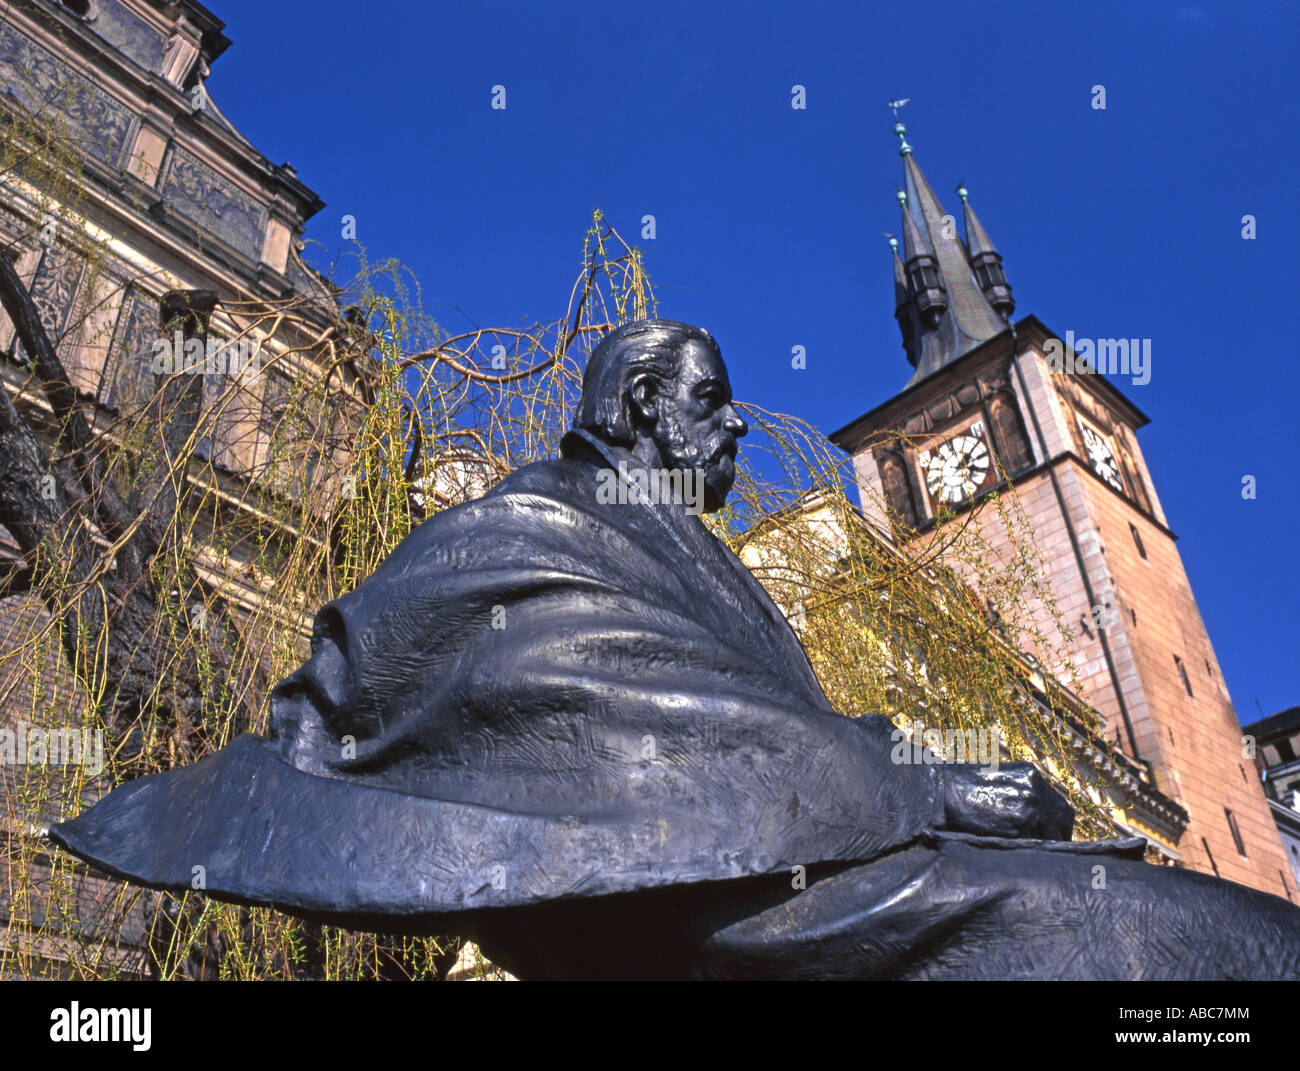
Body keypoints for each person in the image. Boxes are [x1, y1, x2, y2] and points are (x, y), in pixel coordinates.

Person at [52, 319, 1300, 979]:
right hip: (702, 910)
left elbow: (729, 731)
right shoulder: (531, 526)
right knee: (1153, 940)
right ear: (645, 410)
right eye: (714, 405)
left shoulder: (669, 546)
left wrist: (926, 791)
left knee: (1169, 918)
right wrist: (925, 785)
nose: (738, 435)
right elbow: (635, 730)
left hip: (772, 870)